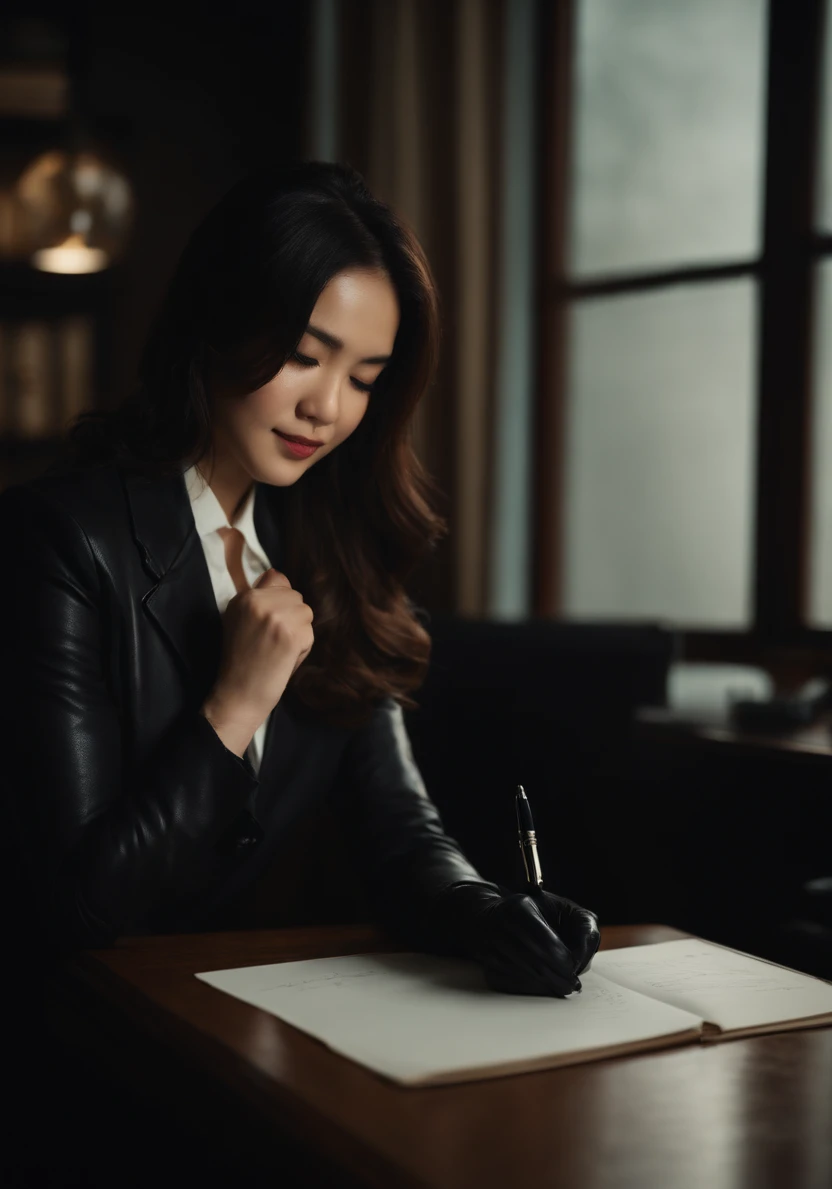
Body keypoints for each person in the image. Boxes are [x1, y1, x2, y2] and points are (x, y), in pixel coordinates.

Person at [0, 160, 599, 1000]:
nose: (329, 408)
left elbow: (399, 830)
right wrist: (235, 704)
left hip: (246, 1018)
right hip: (80, 1036)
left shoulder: (332, 551)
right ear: (216, 324)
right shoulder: (60, 541)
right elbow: (77, 908)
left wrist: (488, 914)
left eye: (362, 378)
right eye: (304, 356)